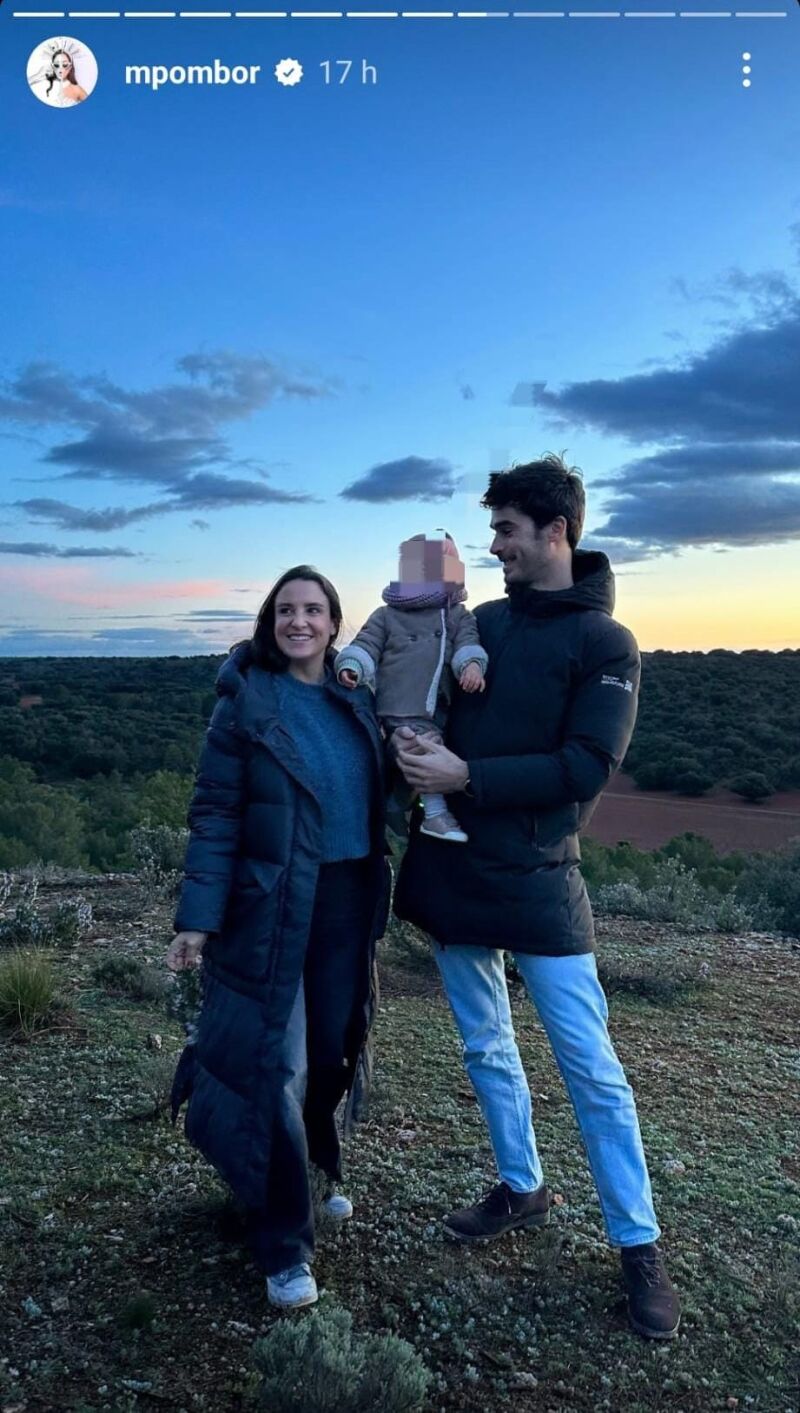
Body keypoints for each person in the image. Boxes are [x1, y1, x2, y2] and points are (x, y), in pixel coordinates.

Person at [392, 455, 681, 1341]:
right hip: (455, 867)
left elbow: (584, 772)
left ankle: (638, 1243)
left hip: (542, 876)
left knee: (591, 1068)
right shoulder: (482, 621)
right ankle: (522, 1185)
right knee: (486, 1046)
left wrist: (465, 773)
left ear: (555, 532)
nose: (495, 547)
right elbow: (415, 684)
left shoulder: (607, 645)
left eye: (507, 531)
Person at [167, 566, 391, 1311]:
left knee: (332, 1050)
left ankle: (314, 1167)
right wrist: (198, 917)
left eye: (315, 609)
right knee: (278, 1066)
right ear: (271, 620)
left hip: (348, 897)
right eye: (287, 609)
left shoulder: (354, 697)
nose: (300, 621)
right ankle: (283, 1243)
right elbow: (217, 813)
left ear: (334, 622)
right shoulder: (247, 702)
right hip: (269, 903)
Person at [334, 530, 487, 842]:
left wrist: (471, 665)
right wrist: (353, 665)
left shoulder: (457, 616)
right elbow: (366, 643)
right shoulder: (386, 615)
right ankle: (435, 815)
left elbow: (468, 643)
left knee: (416, 754)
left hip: (434, 707)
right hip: (395, 704)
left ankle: (395, 804)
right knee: (424, 749)